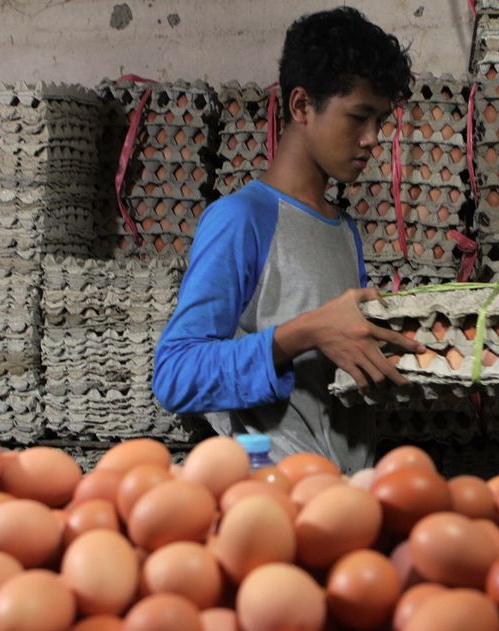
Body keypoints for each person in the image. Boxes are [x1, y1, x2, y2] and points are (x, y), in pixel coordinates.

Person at [153, 6, 423, 473]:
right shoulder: (240, 220)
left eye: (380, 121)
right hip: (276, 497)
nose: (372, 139)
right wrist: (303, 334)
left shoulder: (344, 230)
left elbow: (336, 370)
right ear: (301, 106)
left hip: (349, 496)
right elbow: (175, 376)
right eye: (358, 117)